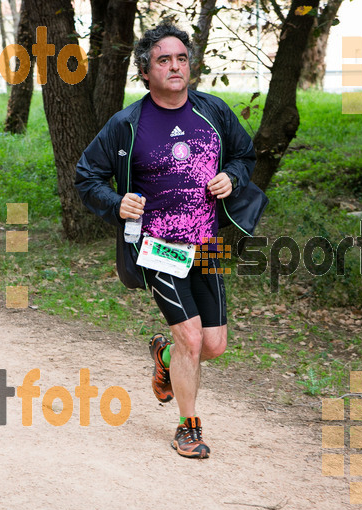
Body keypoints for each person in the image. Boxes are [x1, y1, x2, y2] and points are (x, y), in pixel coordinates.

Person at [75, 21, 267, 459]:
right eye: (164, 60)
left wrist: (231, 178)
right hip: (157, 247)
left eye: (181, 58)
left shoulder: (213, 112)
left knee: (214, 345)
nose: (175, 66)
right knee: (192, 340)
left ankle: (163, 359)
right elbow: (86, 176)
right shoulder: (127, 124)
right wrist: (115, 202)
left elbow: (244, 155)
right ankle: (189, 427)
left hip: (206, 243)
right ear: (146, 71)